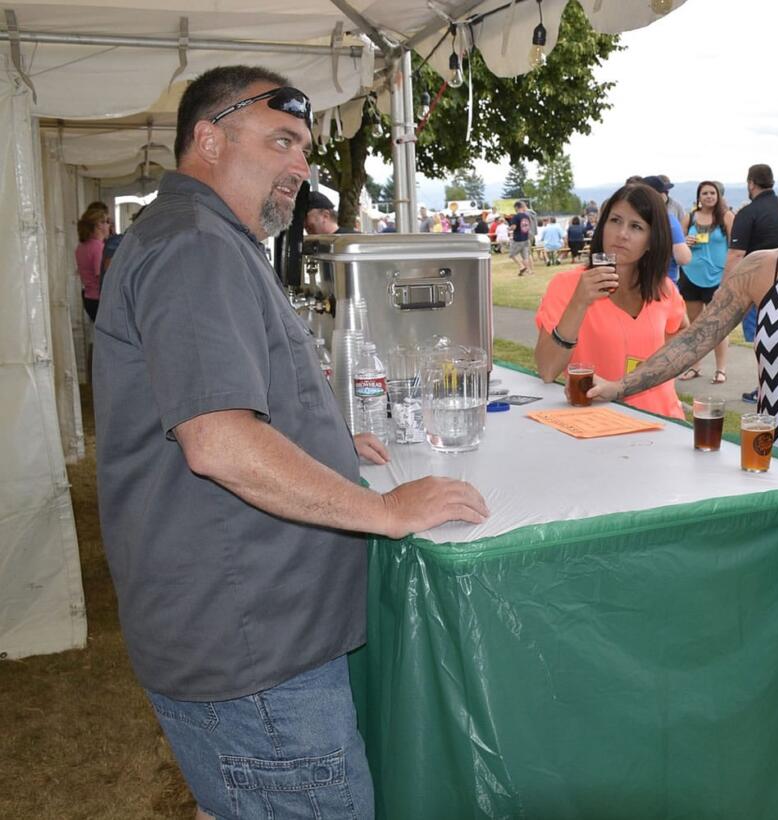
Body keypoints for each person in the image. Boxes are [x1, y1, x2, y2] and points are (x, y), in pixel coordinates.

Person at [93, 65, 489, 820]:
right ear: (208, 139)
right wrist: (385, 512)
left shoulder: (203, 236)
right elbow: (218, 442)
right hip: (252, 652)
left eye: (304, 148)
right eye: (281, 141)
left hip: (245, 640)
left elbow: (228, 396)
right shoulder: (194, 246)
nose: (300, 167)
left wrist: (328, 440)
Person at [588, 155, 778, 765]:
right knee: (765, 589)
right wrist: (622, 387)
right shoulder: (761, 268)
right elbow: (694, 342)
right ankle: (765, 698)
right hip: (773, 462)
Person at [534, 183, 689, 419]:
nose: (622, 233)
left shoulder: (664, 289)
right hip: (597, 425)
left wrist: (653, 367)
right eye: (615, 220)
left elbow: (682, 333)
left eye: (636, 226)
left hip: (663, 424)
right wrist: (579, 302)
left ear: (651, 240)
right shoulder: (567, 285)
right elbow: (546, 370)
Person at [726, 163, 778, 403]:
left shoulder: (749, 212)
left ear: (751, 183)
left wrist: (726, 289)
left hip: (759, 287)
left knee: (760, 341)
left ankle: (763, 389)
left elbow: (735, 255)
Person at [676, 180, 736, 385]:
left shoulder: (726, 216)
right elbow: (678, 242)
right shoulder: (690, 216)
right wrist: (685, 242)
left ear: (718, 196)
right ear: (698, 197)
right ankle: (695, 366)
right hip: (691, 275)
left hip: (717, 279)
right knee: (695, 325)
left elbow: (736, 247)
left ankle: (721, 370)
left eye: (712, 193)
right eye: (705, 193)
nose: (709, 196)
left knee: (718, 325)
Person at [640, 175, 692, 283]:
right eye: (664, 191)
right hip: (664, 283)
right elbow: (683, 258)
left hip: (635, 283)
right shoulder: (668, 221)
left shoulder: (631, 220)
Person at [75, 206, 109, 322]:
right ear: (99, 225)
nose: (108, 226)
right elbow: (101, 275)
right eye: (106, 222)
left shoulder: (81, 247)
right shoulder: (98, 248)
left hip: (89, 297)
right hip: (100, 299)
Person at [508, 200, 535, 276]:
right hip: (525, 238)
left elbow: (514, 227)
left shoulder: (516, 217)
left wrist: (509, 228)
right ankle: (529, 271)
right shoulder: (526, 216)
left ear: (517, 207)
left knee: (512, 254)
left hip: (518, 239)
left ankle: (521, 266)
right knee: (525, 256)